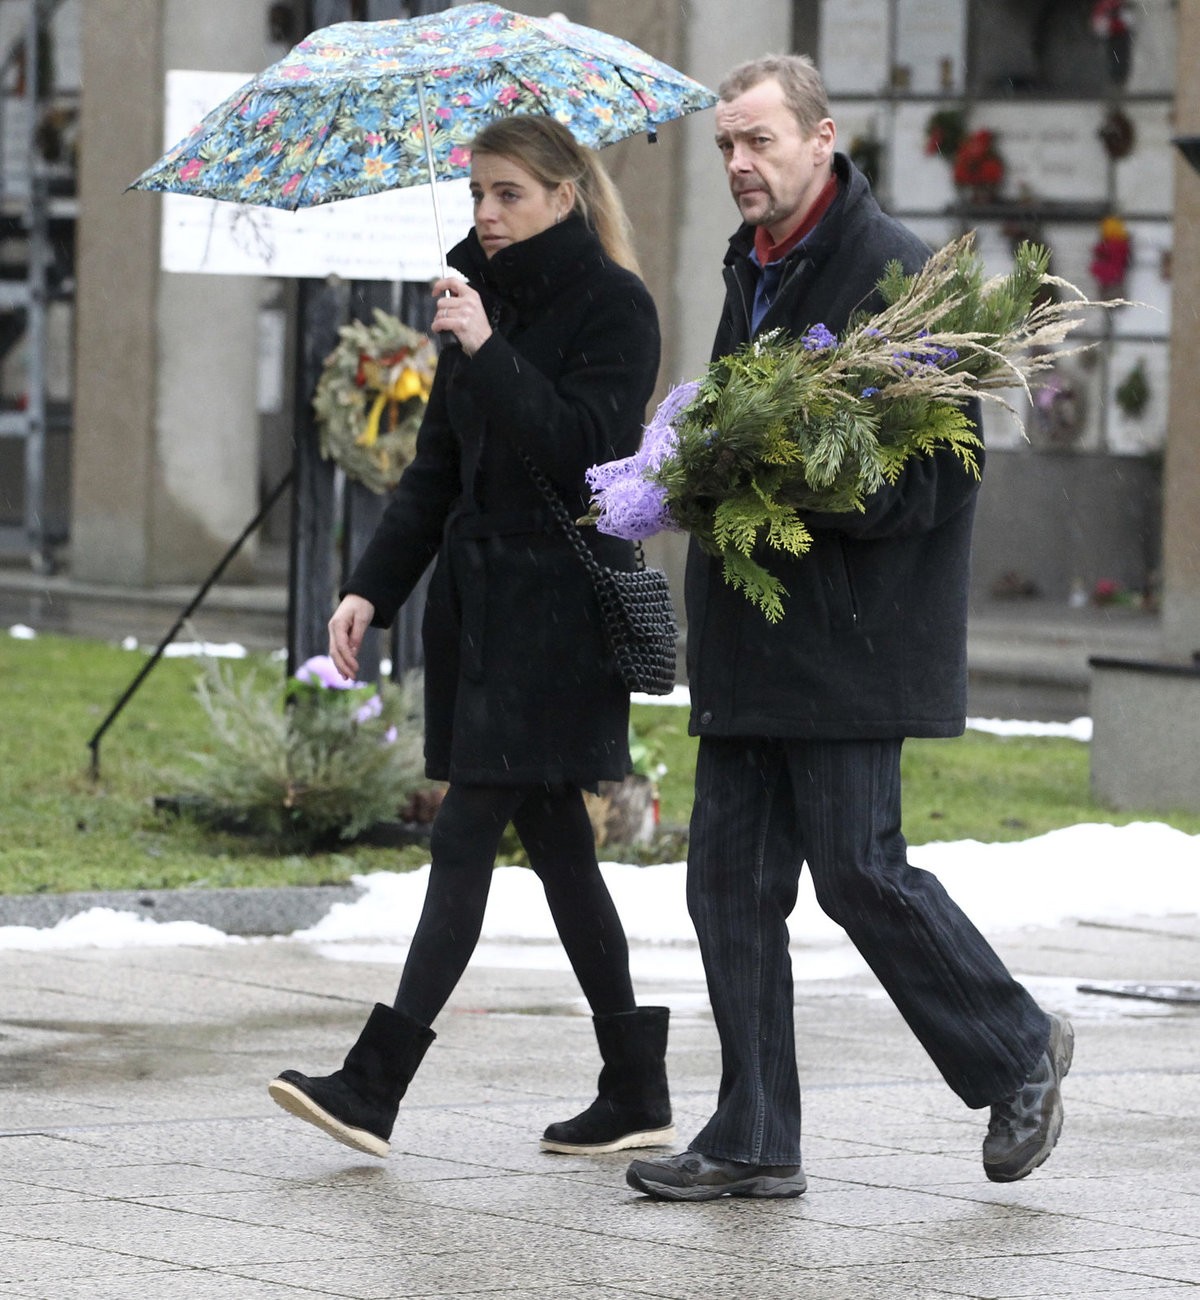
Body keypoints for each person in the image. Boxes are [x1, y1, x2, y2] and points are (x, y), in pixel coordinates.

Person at [625, 55, 1073, 1202]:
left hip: (850, 643)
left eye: (760, 141)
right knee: (726, 882)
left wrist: (804, 474)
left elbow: (947, 471)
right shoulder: (757, 265)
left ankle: (1017, 1047)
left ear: (824, 139)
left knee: (860, 873)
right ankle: (754, 1136)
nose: (739, 164)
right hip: (758, 636)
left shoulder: (893, 272)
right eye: (727, 145)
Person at [269, 115, 673, 1161]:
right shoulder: (471, 306)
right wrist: (372, 589)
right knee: (560, 848)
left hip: (557, 614)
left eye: (507, 194)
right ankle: (635, 1086)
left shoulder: (616, 308)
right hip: (479, 608)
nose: (486, 214)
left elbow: (588, 449)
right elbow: (437, 471)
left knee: (464, 833)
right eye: (478, 194)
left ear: (564, 197)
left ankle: (374, 1084)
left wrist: (488, 348)